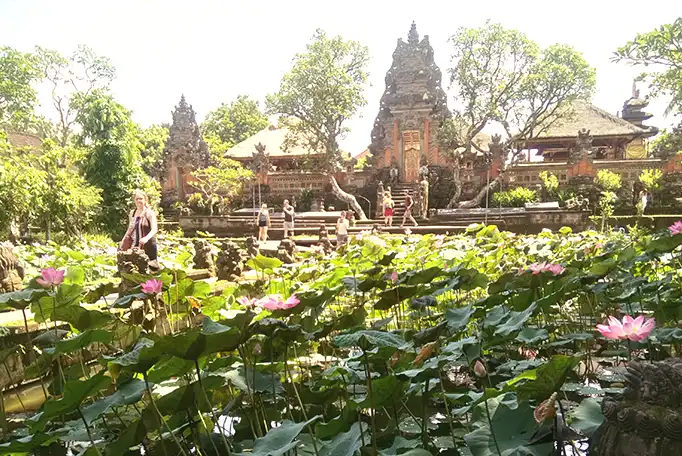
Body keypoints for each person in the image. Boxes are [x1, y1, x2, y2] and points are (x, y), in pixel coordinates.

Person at [120, 189, 159, 272]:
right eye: (137, 199)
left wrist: (146, 238)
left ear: (145, 200)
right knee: (135, 267)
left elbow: (154, 229)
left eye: (141, 198)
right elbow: (129, 229)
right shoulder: (132, 213)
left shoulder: (149, 213)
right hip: (135, 245)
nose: (138, 201)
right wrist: (123, 241)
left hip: (148, 245)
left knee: (151, 268)